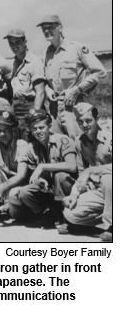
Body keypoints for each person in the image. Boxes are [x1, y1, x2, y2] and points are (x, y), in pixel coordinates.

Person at [39, 15, 107, 139]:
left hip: (74, 106)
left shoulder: (76, 48)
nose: (46, 31)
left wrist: (77, 90)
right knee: (58, 146)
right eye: (44, 28)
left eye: (50, 27)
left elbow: (100, 72)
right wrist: (47, 89)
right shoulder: (46, 53)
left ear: (60, 28)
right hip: (54, 109)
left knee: (79, 144)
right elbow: (44, 78)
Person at [8, 109, 77, 226]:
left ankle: (64, 215)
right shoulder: (31, 148)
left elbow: (72, 166)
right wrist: (41, 181)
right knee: (24, 192)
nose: (38, 131)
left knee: (60, 176)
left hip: (68, 187)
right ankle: (47, 213)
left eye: (41, 128)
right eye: (34, 129)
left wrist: (43, 166)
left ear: (49, 126)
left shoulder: (63, 140)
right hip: (49, 189)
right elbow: (35, 174)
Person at [60, 103, 112, 241]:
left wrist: (92, 170)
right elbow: (82, 173)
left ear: (97, 119)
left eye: (89, 121)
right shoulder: (80, 142)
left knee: (108, 179)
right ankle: (107, 219)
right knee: (70, 213)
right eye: (80, 122)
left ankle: (112, 227)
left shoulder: (110, 139)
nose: (84, 125)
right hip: (102, 192)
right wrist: (74, 195)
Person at [5, 29, 45, 137]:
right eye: (11, 43)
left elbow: (40, 93)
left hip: (29, 106)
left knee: (30, 138)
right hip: (17, 108)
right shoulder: (14, 63)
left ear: (25, 42)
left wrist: (35, 116)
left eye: (17, 42)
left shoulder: (34, 62)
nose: (14, 46)